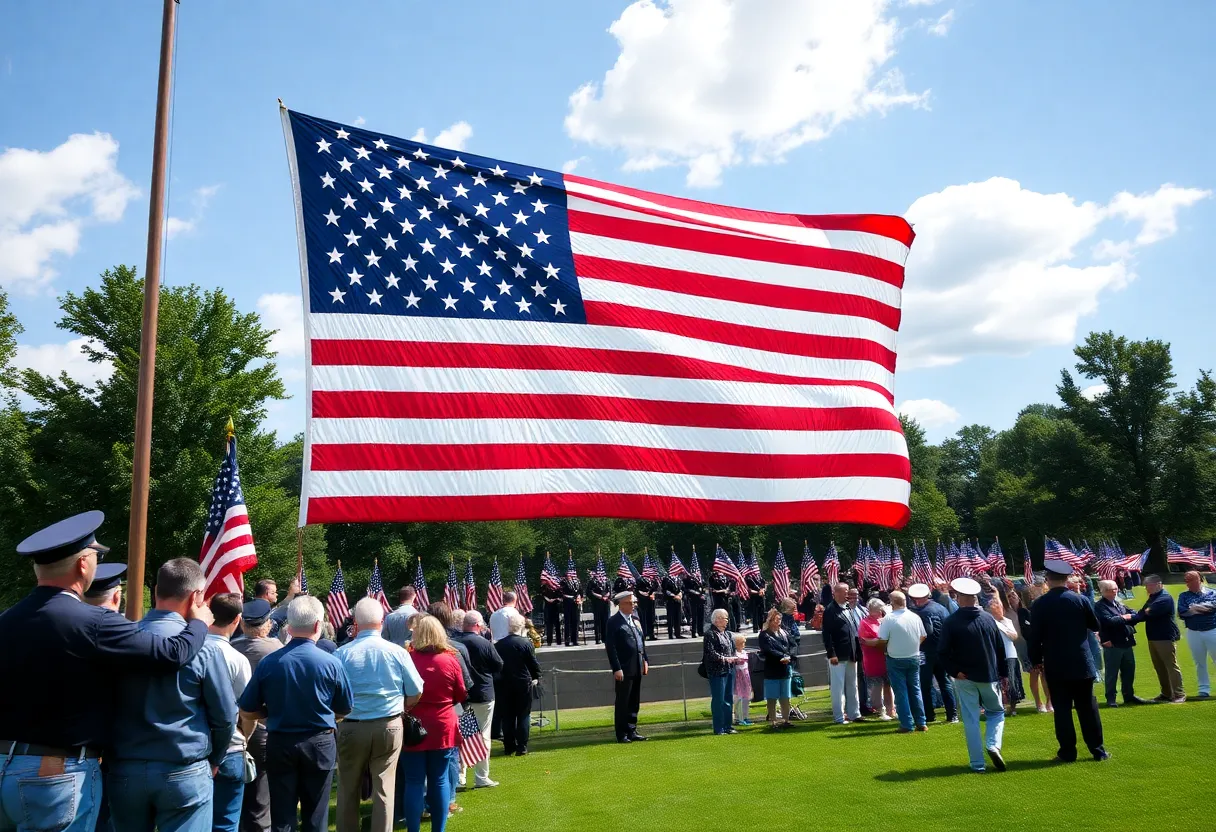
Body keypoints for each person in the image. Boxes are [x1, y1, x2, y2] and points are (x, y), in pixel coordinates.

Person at [0, 512, 212, 832]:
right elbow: (172, 654)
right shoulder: (93, 622)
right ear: (84, 564)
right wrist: (198, 623)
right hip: (57, 774)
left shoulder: (7, 620)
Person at [107, 559, 237, 832]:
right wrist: (216, 759)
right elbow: (225, 716)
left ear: (155, 591)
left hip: (125, 768)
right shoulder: (206, 649)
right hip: (183, 769)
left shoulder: (120, 639)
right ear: (196, 597)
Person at [238, 596, 353, 832]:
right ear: (318, 626)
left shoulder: (270, 663)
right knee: (316, 817)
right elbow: (345, 707)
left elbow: (247, 709)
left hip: (280, 742)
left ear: (288, 627)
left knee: (282, 815)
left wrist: (269, 713)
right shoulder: (331, 663)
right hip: (319, 742)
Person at [334, 598, 423, 832]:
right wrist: (402, 708)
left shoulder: (341, 654)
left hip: (351, 725)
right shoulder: (397, 652)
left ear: (355, 623)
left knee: (348, 787)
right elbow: (415, 689)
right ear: (382, 622)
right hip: (388, 725)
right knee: (385, 789)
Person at [1028, 559, 1108, 763]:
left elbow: (1034, 636)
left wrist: (1036, 660)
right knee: (1088, 708)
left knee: (1062, 710)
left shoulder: (1039, 604)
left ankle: (1067, 752)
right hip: (1081, 661)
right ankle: (1097, 750)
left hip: (1056, 662)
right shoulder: (1079, 600)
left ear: (1048, 579)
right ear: (1066, 579)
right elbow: (1095, 625)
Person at [398, 615, 466, 832]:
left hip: (413, 724)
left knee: (414, 781)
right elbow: (460, 693)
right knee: (439, 779)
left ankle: (413, 829)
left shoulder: (407, 658)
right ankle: (439, 829)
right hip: (442, 724)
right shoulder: (450, 660)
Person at [937, 577, 1008, 773]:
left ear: (959, 598)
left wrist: (954, 671)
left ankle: (977, 763)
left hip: (964, 677)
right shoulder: (988, 619)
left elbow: (942, 651)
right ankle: (993, 744)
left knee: (970, 719)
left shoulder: (951, 621)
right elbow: (999, 648)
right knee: (996, 712)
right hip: (988, 675)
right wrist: (1003, 673)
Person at [208, 593, 257, 832]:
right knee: (226, 824)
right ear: (238, 619)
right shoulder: (237, 659)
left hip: (194, 748)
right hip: (230, 748)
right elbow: (247, 711)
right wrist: (244, 737)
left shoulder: (191, 650)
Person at [232, 598, 282, 832]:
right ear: (268, 624)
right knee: (261, 796)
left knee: (234, 795)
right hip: (263, 727)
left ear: (243, 625)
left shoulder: (231, 648)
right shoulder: (276, 651)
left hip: (231, 730)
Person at [452, 611, 504, 789]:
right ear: (477, 625)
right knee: (483, 735)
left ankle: (460, 777)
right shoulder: (483, 643)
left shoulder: (454, 643)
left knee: (460, 735)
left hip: (461, 696)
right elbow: (498, 665)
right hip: (483, 694)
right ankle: (481, 776)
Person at [876, 590, 927, 733]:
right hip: (913, 656)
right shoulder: (914, 616)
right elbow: (923, 636)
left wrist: (889, 648)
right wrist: (912, 645)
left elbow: (882, 640)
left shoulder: (889, 618)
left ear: (892, 603)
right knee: (915, 690)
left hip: (896, 658)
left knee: (901, 692)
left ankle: (907, 724)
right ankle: (921, 722)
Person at [908, 583, 958, 724]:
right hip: (943, 652)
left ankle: (929, 715)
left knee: (925, 684)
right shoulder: (941, 608)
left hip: (927, 652)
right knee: (945, 683)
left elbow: (928, 632)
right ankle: (952, 714)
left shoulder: (922, 613)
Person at [1131, 574, 1184, 703]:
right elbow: (1143, 613)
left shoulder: (1164, 598)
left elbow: (1148, 613)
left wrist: (1141, 614)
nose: (1146, 588)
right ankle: (1166, 693)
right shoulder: (1153, 597)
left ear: (1157, 584)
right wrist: (1143, 613)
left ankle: (1179, 694)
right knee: (1159, 666)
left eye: (1147, 585)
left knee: (1170, 666)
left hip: (1165, 636)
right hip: (1153, 636)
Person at [1094, 579, 1148, 707]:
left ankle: (1128, 695)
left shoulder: (1119, 604)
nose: (1115, 592)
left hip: (1126, 641)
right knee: (1112, 672)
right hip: (1113, 643)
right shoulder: (1100, 606)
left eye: (1115, 589)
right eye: (1112, 590)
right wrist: (1125, 618)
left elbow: (1136, 615)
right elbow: (1108, 621)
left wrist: (1126, 617)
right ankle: (1111, 698)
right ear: (1104, 591)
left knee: (1129, 670)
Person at [494, 610, 541, 756]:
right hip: (523, 683)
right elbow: (533, 664)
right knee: (523, 715)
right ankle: (522, 746)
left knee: (507, 716)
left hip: (504, 684)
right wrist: (536, 676)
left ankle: (509, 745)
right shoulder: (526, 643)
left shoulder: (498, 645)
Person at [605, 591, 649, 743]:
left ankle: (632, 729)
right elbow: (611, 647)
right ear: (621, 604)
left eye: (634, 603)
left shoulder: (635, 619)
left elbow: (641, 642)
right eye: (631, 603)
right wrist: (616, 668)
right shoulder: (614, 622)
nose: (634, 605)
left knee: (634, 700)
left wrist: (645, 660)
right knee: (623, 700)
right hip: (624, 667)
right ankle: (621, 733)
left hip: (637, 664)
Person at [821, 583, 861, 724]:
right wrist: (831, 653)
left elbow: (853, 631)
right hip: (838, 654)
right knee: (838, 688)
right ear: (836, 593)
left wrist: (857, 651)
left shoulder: (848, 608)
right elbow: (827, 634)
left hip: (851, 653)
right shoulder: (830, 610)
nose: (847, 594)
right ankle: (839, 716)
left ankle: (854, 714)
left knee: (852, 685)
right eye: (845, 591)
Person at [1177, 570, 1216, 698]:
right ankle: (1204, 689)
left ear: (1200, 580)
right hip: (1194, 632)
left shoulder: (1212, 593)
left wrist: (1194, 608)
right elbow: (1182, 612)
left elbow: (1213, 607)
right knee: (1200, 662)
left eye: (1192, 580)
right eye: (1187, 581)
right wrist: (1202, 608)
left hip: (1212, 630)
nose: (1189, 583)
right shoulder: (1183, 596)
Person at [858, 598, 894, 721]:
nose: (881, 611)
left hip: (887, 657)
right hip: (873, 659)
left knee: (888, 685)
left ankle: (891, 710)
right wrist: (881, 641)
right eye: (880, 609)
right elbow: (865, 641)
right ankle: (880, 710)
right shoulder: (865, 623)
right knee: (876, 686)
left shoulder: (885, 620)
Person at [702, 609, 737, 735]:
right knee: (719, 700)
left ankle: (728, 726)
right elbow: (710, 653)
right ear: (716, 619)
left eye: (727, 618)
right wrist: (724, 658)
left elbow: (732, 649)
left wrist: (735, 657)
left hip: (729, 669)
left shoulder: (727, 634)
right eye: (724, 618)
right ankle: (719, 728)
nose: (727, 621)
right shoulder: (710, 634)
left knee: (729, 699)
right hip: (717, 672)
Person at [758, 609, 794, 729]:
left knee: (785, 696)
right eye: (776, 619)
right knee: (772, 696)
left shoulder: (785, 632)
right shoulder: (764, 634)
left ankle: (786, 720)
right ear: (770, 620)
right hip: (772, 668)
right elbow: (768, 649)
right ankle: (773, 721)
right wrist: (782, 656)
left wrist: (790, 656)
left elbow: (793, 644)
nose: (778, 621)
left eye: (780, 619)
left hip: (785, 668)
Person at [987, 596, 1023, 716]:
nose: (1000, 610)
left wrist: (1005, 629)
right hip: (996, 656)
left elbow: (1014, 636)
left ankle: (1012, 707)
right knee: (999, 682)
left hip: (1010, 655)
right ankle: (1000, 706)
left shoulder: (1007, 621)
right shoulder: (989, 622)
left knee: (1012, 682)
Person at [731, 633, 753, 726]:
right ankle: (738, 718)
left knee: (746, 697)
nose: (744, 644)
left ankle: (745, 716)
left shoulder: (744, 652)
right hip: (738, 677)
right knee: (738, 698)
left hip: (746, 676)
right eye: (742, 643)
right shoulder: (734, 653)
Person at [585, 571, 612, 645]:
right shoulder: (592, 582)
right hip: (597, 603)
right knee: (598, 621)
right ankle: (598, 638)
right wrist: (596, 596)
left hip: (605, 603)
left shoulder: (606, 581)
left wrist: (608, 595)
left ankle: (605, 638)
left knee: (606, 620)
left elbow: (609, 590)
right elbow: (589, 592)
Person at [559, 572, 583, 646]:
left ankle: (575, 640)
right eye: (569, 575)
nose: (570, 576)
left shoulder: (576, 582)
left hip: (575, 604)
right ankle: (567, 640)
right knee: (568, 622)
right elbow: (561, 592)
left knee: (575, 622)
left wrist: (579, 597)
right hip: (567, 603)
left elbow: (580, 591)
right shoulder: (563, 582)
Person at [683, 567, 707, 637]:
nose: (697, 573)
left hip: (701, 600)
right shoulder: (689, 580)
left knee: (701, 616)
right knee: (694, 616)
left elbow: (704, 588)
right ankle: (694, 632)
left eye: (698, 571)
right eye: (695, 571)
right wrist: (698, 594)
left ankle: (701, 631)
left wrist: (703, 594)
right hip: (693, 600)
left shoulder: (701, 580)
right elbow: (688, 589)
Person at [635, 570, 658, 640]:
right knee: (643, 618)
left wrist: (652, 593)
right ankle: (644, 634)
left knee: (651, 618)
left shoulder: (653, 581)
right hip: (643, 603)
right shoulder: (640, 581)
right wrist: (647, 595)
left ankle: (651, 634)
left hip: (650, 602)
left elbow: (654, 588)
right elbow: (638, 591)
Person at [661, 570, 684, 639]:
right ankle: (670, 634)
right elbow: (665, 590)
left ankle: (678, 634)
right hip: (670, 601)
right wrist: (674, 596)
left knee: (678, 617)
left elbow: (680, 589)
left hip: (678, 601)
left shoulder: (677, 579)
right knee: (670, 618)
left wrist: (680, 594)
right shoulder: (666, 579)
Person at [541, 579, 563, 646]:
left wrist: (556, 599)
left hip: (555, 607)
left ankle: (559, 641)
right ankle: (549, 641)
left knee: (557, 625)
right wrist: (548, 600)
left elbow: (560, 596)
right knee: (549, 625)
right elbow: (543, 595)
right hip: (548, 607)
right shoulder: (544, 587)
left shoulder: (557, 587)